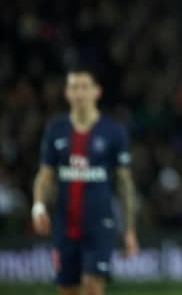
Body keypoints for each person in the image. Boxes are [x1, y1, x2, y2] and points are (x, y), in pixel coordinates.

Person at [31, 67, 139, 295]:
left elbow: (125, 184)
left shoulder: (113, 131)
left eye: (84, 87)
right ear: (66, 93)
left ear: (96, 91)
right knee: (67, 289)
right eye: (74, 87)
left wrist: (129, 229)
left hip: (100, 224)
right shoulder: (56, 130)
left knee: (92, 288)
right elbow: (45, 175)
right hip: (64, 224)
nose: (79, 92)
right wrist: (38, 206)